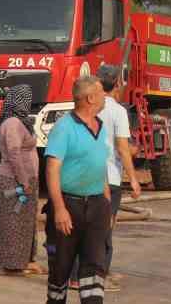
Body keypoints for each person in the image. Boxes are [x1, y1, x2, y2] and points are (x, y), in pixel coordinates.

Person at [44, 76, 114, 304]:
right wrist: (60, 209)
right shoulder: (64, 127)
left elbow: (99, 164)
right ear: (90, 98)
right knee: (61, 269)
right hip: (69, 207)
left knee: (95, 265)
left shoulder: (100, 126)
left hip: (96, 207)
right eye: (102, 91)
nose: (106, 95)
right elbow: (52, 169)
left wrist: (106, 202)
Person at [98, 67, 142, 293]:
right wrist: (134, 179)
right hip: (110, 178)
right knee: (106, 227)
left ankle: (91, 272)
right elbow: (123, 149)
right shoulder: (117, 112)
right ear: (116, 84)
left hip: (86, 175)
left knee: (88, 226)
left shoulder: (89, 106)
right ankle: (98, 275)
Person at [0, 84, 40, 276]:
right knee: (13, 223)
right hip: (14, 181)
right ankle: (12, 265)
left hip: (23, 180)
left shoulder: (20, 122)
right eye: (26, 99)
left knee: (24, 223)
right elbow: (13, 153)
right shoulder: (12, 123)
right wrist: (24, 181)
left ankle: (24, 261)